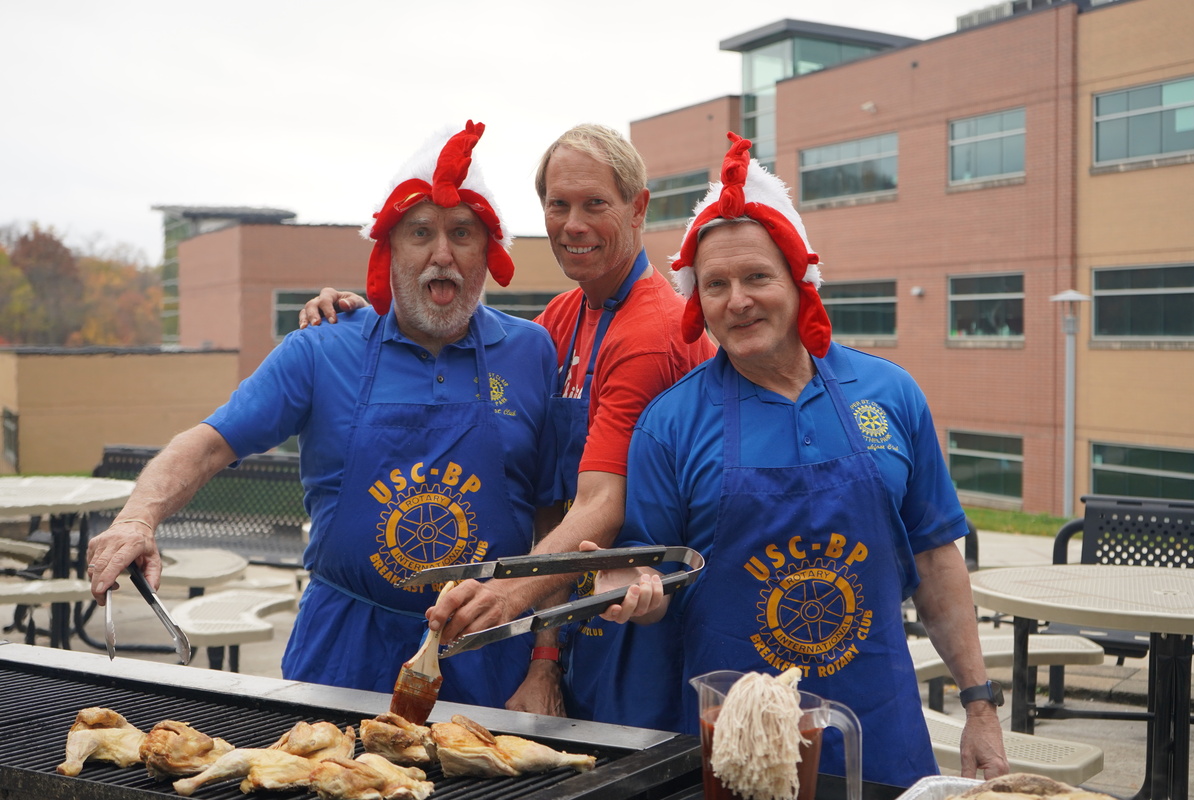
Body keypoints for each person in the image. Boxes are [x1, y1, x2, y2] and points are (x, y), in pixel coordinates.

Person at [86, 121, 560, 710]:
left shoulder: (533, 353)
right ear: (389, 250)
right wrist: (138, 517)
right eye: (420, 233)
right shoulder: (322, 346)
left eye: (462, 233)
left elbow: (552, 520)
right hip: (342, 653)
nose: (442, 254)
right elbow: (211, 442)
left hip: (489, 657)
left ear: (488, 252)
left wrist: (545, 662)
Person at [593, 133, 1009, 783]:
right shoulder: (668, 426)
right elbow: (641, 573)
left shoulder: (891, 394)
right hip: (738, 753)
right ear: (696, 300)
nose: (737, 300)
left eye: (757, 276)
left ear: (799, 277)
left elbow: (934, 558)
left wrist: (980, 707)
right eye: (716, 284)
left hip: (882, 738)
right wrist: (629, 591)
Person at [300, 124, 715, 726]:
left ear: (638, 208)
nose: (573, 224)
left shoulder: (649, 333)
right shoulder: (567, 314)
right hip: (574, 611)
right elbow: (477, 340)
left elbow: (601, 499)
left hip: (640, 622)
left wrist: (507, 596)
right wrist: (375, 317)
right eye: (559, 204)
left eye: (595, 204)